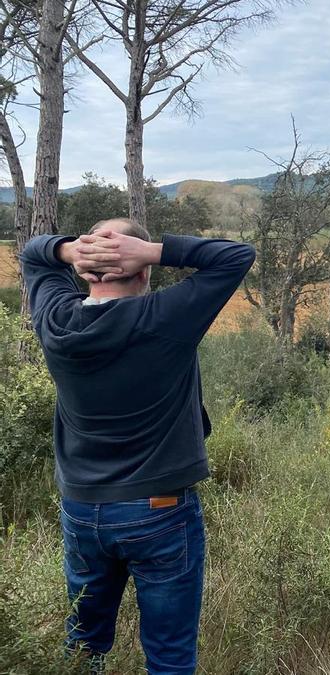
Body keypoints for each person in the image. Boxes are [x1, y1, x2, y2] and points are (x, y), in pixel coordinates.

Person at [19, 219, 255, 675]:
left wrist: (69, 250)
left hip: (82, 510)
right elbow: (234, 256)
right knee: (169, 655)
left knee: (84, 645)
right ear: (143, 269)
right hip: (160, 510)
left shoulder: (55, 322)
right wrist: (153, 250)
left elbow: (33, 253)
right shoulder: (165, 318)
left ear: (85, 271)